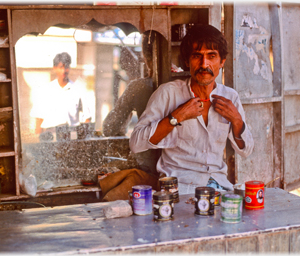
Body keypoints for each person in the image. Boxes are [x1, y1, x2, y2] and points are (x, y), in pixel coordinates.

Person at [129, 24, 254, 194]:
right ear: (187, 61)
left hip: (220, 186)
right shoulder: (168, 93)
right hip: (179, 189)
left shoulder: (230, 97)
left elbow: (246, 151)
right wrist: (176, 117)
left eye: (212, 56)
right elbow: (136, 143)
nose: (204, 64)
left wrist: (237, 120)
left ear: (222, 62)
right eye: (197, 56)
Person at [103, 31, 160, 176]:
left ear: (146, 58)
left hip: (147, 166)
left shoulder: (139, 87)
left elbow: (109, 127)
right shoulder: (183, 85)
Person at [30, 52, 91, 136]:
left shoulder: (77, 89)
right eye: (60, 67)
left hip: (71, 136)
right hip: (50, 137)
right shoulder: (45, 90)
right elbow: (38, 119)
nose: (63, 70)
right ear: (55, 68)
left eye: (66, 67)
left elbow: (87, 117)